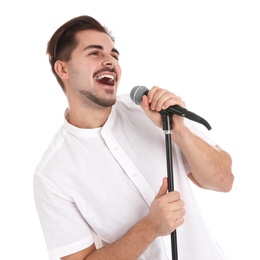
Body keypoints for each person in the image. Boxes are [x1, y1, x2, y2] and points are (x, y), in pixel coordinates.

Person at [33, 15, 234, 260]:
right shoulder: (53, 174)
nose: (110, 61)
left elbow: (224, 181)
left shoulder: (151, 112)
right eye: (95, 53)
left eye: (114, 55)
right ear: (63, 68)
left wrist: (180, 131)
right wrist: (149, 228)